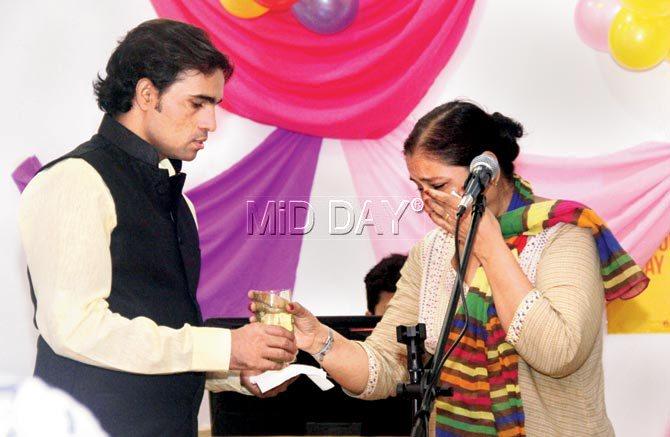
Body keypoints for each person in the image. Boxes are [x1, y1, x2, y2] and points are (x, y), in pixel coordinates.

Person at [255, 100, 649, 436]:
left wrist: (489, 247)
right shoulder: (432, 252)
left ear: (487, 174)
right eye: (418, 186)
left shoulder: (563, 235)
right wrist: (320, 341)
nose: (427, 201)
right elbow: (383, 369)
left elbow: (557, 353)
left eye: (439, 185)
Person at [18, 19, 297, 436]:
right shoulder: (74, 180)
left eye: (215, 104)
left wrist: (235, 370)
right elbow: (75, 329)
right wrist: (225, 347)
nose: (211, 123)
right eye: (197, 103)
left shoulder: (176, 197)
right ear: (146, 94)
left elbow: (157, 338)